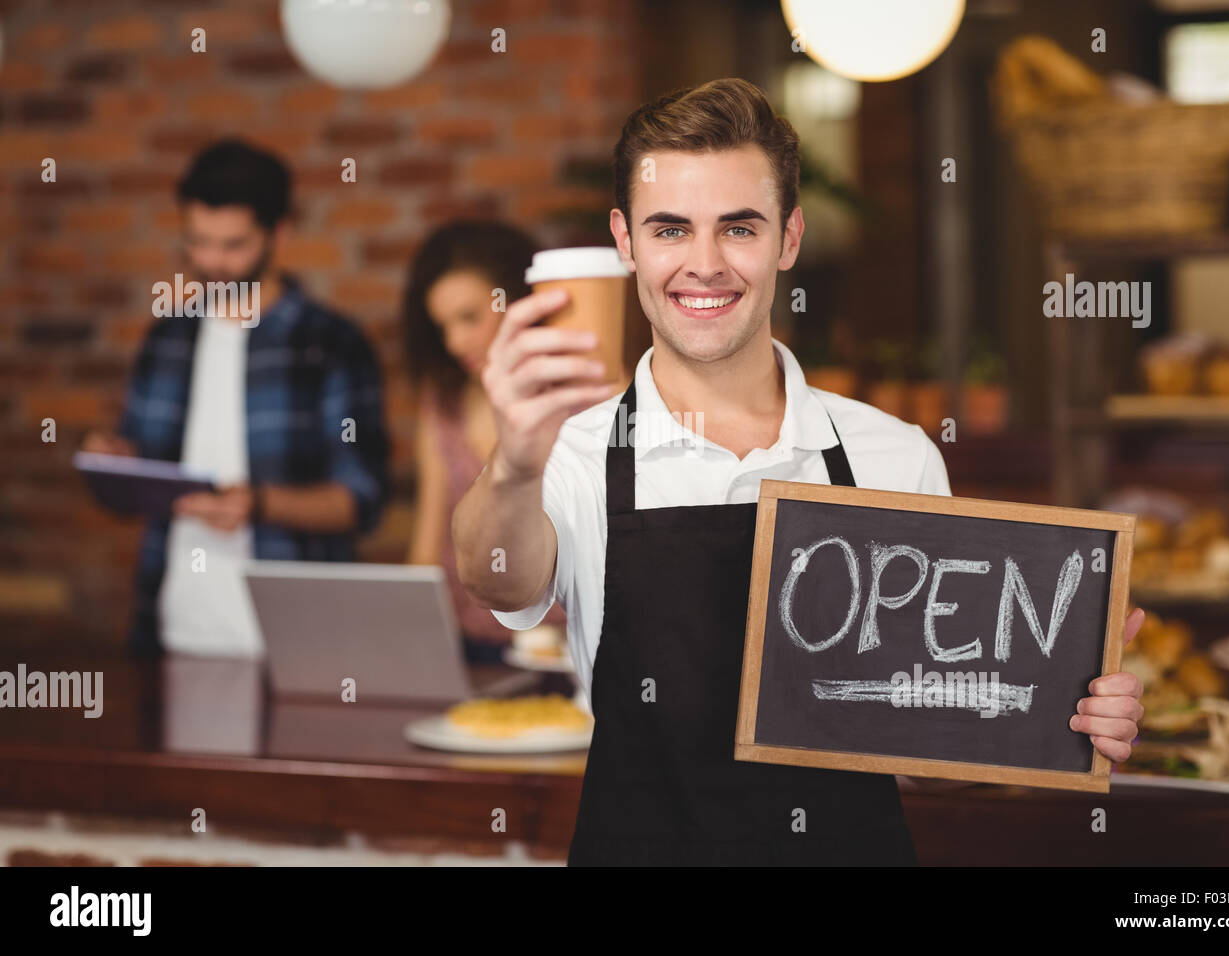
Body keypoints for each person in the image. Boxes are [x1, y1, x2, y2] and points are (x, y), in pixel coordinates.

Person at [452, 77, 1145, 866]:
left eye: (739, 228)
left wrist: (1058, 714)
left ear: (788, 238)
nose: (704, 265)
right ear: (626, 241)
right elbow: (495, 578)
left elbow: (932, 766)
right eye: (671, 229)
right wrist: (511, 459)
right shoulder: (568, 450)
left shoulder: (894, 455)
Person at [83, 138, 390, 658]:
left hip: (297, 644)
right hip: (170, 632)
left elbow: (362, 499)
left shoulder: (331, 343)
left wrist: (260, 505)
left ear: (279, 233)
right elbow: (132, 493)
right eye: (198, 242)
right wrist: (113, 467)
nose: (213, 262)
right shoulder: (166, 339)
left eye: (234, 245)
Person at [401, 221, 565, 663]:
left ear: (520, 301)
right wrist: (416, 644)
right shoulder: (444, 400)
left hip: (561, 651)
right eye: (443, 327)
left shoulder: (576, 394)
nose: (454, 342)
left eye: (469, 318)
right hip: (464, 646)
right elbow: (427, 542)